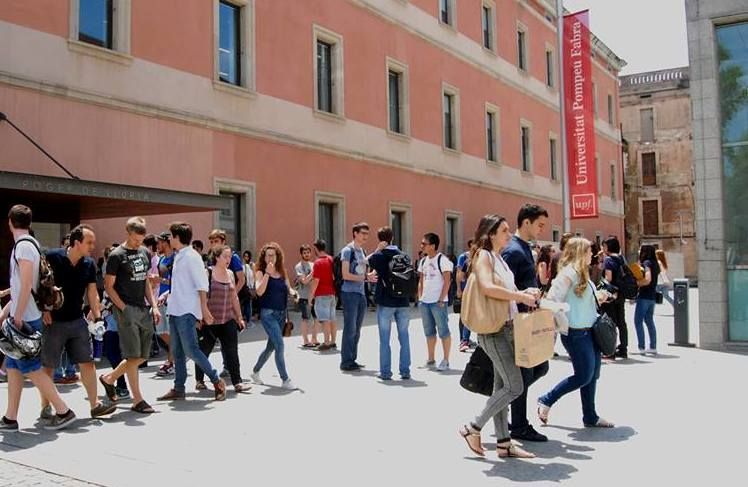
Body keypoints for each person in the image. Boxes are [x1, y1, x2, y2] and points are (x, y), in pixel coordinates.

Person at [458, 214, 539, 459]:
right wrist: (521, 297)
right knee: (515, 386)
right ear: (491, 234)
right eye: (504, 230)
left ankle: (504, 443)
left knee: (502, 387)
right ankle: (472, 427)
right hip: (493, 331)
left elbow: (505, 290)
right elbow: (487, 287)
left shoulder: (498, 258)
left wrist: (525, 292)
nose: (508, 234)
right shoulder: (484, 256)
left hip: (506, 328)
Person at [0, 205, 76, 431]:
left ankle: (64, 411)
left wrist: (17, 316)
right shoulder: (31, 245)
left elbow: (25, 285)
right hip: (26, 314)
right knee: (14, 367)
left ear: (10, 222)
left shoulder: (23, 247)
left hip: (26, 317)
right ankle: (10, 417)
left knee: (31, 368)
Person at [537, 237, 615, 429]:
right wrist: (564, 313)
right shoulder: (568, 274)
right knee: (583, 376)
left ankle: (590, 416)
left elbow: (582, 300)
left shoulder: (583, 274)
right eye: (589, 251)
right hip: (575, 333)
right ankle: (546, 399)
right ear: (580, 253)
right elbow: (551, 300)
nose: (592, 254)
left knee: (593, 374)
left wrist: (599, 296)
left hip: (590, 330)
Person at [41, 224, 116, 419]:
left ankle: (95, 405)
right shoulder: (52, 257)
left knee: (87, 362)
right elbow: (39, 285)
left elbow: (92, 292)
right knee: (48, 366)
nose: (93, 246)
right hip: (54, 321)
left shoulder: (89, 264)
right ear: (76, 243)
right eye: (89, 242)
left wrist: (98, 316)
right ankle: (45, 406)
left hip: (77, 320)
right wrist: (43, 310)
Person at [157, 222, 227, 402]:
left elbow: (202, 285)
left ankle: (216, 380)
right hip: (175, 309)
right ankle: (178, 388)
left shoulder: (192, 257)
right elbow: (181, 283)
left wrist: (203, 310)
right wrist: (167, 294)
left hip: (187, 311)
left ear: (177, 237)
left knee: (191, 350)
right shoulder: (179, 255)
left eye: (171, 236)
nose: (169, 239)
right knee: (177, 351)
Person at [99, 217, 162, 414]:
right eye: (135, 240)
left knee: (142, 356)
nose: (138, 243)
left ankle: (109, 378)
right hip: (126, 309)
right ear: (128, 234)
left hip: (143, 308)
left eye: (141, 240)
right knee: (133, 354)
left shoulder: (144, 252)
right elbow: (109, 286)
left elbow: (144, 282)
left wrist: (154, 305)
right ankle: (137, 399)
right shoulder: (117, 256)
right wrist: (124, 308)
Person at [501, 204, 549, 443]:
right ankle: (518, 423)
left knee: (540, 368)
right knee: (525, 372)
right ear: (526, 222)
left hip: (528, 319)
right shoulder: (513, 251)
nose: (542, 229)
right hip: (517, 322)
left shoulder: (523, 249)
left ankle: (507, 404)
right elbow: (504, 288)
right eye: (539, 224)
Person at [194, 245, 251, 393]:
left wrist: (239, 317)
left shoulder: (231, 274)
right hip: (210, 319)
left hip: (228, 319)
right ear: (217, 257)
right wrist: (200, 317)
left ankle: (237, 382)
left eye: (230, 257)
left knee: (232, 351)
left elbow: (234, 297)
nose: (228, 259)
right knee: (204, 350)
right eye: (225, 256)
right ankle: (199, 380)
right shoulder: (208, 273)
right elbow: (201, 297)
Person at [250, 242, 298, 389]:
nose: (270, 257)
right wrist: (267, 274)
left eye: (273, 255)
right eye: (268, 255)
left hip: (281, 314)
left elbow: (288, 288)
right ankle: (285, 379)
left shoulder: (282, 271)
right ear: (263, 257)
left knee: (271, 347)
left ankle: (255, 371)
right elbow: (259, 291)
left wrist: (294, 293)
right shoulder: (260, 272)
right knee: (279, 345)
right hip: (268, 314)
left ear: (278, 257)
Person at [368, 227, 411, 381]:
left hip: (386, 301)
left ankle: (386, 373)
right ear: (392, 237)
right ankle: (405, 371)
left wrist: (378, 249)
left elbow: (368, 261)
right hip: (403, 301)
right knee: (404, 337)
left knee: (385, 339)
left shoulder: (380, 256)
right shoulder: (404, 255)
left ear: (380, 239)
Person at [339, 223, 376, 372]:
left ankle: (352, 359)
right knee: (350, 328)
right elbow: (345, 274)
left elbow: (362, 273)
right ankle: (346, 361)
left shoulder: (362, 251)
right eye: (362, 233)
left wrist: (368, 276)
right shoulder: (347, 250)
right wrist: (365, 277)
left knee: (357, 329)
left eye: (367, 233)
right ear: (355, 233)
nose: (365, 236)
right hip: (349, 294)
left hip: (361, 294)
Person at [417, 232, 453, 371]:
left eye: (424, 244)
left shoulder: (442, 260)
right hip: (425, 302)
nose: (422, 246)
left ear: (432, 246)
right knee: (429, 332)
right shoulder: (423, 261)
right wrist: (420, 297)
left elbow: (447, 281)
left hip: (438, 302)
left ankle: (446, 360)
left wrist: (441, 299)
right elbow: (421, 280)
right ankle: (431, 359)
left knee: (443, 331)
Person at [601, 237, 628, 359]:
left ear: (608, 247)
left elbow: (609, 278)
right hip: (621, 293)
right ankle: (623, 348)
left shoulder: (608, 260)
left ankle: (610, 350)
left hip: (611, 294)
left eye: (605, 246)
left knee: (610, 322)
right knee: (621, 322)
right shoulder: (621, 258)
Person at [310, 239, 337, 351]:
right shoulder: (330, 259)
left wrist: (311, 296)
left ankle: (326, 343)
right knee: (332, 319)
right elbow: (334, 276)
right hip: (332, 293)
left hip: (321, 294)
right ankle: (333, 341)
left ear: (316, 248)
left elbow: (316, 281)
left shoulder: (317, 262)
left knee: (325, 320)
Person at [155, 232, 174, 376]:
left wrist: (160, 280)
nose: (158, 245)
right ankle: (176, 352)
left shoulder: (175, 259)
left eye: (160, 242)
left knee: (170, 331)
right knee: (160, 331)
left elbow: (177, 282)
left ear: (166, 243)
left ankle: (171, 362)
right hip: (160, 299)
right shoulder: (161, 259)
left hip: (172, 299)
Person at [635, 245, 660, 355]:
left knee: (638, 321)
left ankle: (641, 347)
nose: (639, 251)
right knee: (649, 321)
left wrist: (637, 283)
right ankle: (653, 346)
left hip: (644, 296)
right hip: (652, 297)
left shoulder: (647, 263)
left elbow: (647, 279)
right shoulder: (655, 264)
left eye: (641, 249)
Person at [295, 245, 319, 348]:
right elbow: (304, 281)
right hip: (304, 296)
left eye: (308, 252)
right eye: (304, 253)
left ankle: (314, 338)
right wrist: (312, 274)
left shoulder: (313, 264)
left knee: (317, 318)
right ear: (301, 254)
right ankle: (305, 340)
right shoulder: (298, 266)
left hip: (314, 295)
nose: (306, 254)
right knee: (306, 318)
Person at [455, 241, 474, 352]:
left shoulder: (480, 257)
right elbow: (459, 274)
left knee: (469, 315)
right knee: (465, 315)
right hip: (466, 290)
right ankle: (464, 339)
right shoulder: (464, 258)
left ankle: (465, 339)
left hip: (475, 292)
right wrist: (458, 289)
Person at [241, 250, 255, 323]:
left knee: (248, 303)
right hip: (244, 287)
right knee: (246, 303)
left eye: (247, 256)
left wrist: (253, 287)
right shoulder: (242, 266)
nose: (246, 258)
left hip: (249, 287)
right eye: (245, 256)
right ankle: (246, 318)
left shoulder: (251, 265)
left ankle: (248, 319)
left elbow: (253, 276)